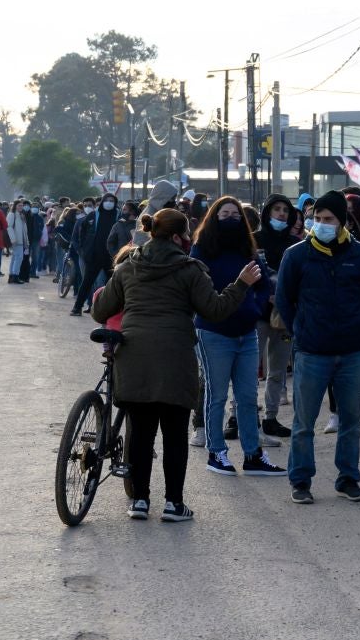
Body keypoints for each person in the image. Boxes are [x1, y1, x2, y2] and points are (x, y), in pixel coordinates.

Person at [91, 208, 262, 521]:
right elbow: (215, 309)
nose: (188, 240)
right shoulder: (190, 269)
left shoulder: (129, 265)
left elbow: (101, 308)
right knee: (173, 435)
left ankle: (139, 501)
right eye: (186, 234)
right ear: (175, 237)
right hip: (175, 360)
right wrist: (241, 284)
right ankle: (173, 504)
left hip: (134, 358)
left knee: (140, 433)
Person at [276, 191, 360, 505]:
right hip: (311, 351)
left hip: (352, 352)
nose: (320, 224)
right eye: (317, 219)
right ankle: (301, 480)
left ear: (343, 222)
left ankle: (348, 478)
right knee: (304, 422)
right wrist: (302, 331)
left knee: (350, 422)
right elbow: (284, 300)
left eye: (328, 219)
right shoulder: (296, 255)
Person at [190, 196, 284, 477]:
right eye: (224, 213)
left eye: (235, 214)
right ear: (213, 217)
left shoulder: (248, 249)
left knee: (246, 396)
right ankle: (216, 452)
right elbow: (196, 289)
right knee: (216, 395)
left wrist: (251, 308)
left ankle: (253, 454)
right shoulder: (202, 249)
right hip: (213, 332)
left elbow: (264, 286)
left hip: (246, 333)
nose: (230, 218)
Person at [253, 193, 301, 438]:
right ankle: (239, 416)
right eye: (277, 209)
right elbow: (246, 276)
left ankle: (270, 417)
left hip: (284, 317)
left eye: (285, 210)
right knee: (249, 370)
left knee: (278, 370)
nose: (281, 214)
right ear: (267, 212)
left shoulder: (296, 243)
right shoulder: (253, 240)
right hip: (258, 315)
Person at [70, 193, 120, 315]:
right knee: (86, 283)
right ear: (102, 201)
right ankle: (77, 308)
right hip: (94, 256)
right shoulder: (94, 215)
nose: (109, 203)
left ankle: (110, 312)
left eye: (111, 201)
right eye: (106, 200)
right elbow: (82, 233)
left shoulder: (118, 216)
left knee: (113, 285)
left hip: (111, 257)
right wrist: (84, 250)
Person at [132, 181, 179, 246]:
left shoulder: (159, 212)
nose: (174, 202)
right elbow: (143, 243)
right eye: (172, 199)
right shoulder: (151, 214)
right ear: (162, 198)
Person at [6, 200, 28, 285]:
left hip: (21, 240)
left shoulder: (21, 215)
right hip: (16, 241)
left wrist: (26, 241)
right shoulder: (12, 214)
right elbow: (9, 227)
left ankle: (12, 276)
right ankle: (15, 276)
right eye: (19, 205)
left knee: (15, 258)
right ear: (15, 206)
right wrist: (13, 239)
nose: (21, 207)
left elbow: (24, 230)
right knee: (18, 258)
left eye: (22, 205)